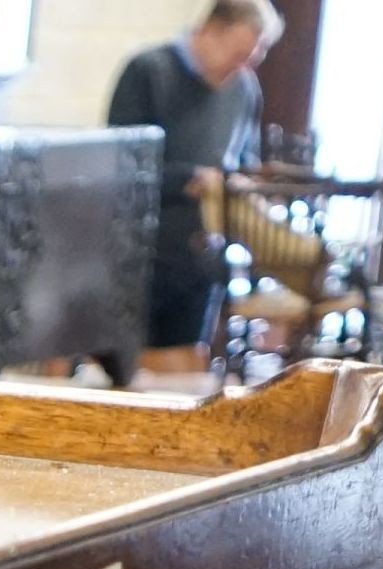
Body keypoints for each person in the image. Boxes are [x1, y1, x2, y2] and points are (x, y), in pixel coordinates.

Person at [109, 0, 284, 355]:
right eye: (237, 54)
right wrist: (189, 179)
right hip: (141, 250)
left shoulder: (244, 88)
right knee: (134, 369)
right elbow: (120, 162)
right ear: (210, 30)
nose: (241, 68)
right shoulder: (148, 71)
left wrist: (244, 186)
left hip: (201, 252)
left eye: (251, 59)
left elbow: (243, 161)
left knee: (187, 364)